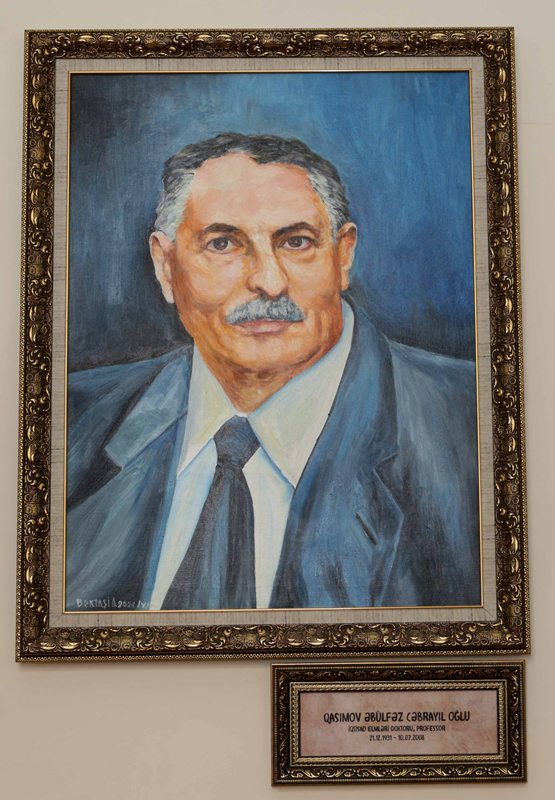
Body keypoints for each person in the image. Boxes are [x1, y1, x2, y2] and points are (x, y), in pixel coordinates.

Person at [66, 133, 480, 612]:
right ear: (165, 265)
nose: (269, 281)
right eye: (223, 243)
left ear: (343, 255)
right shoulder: (69, 420)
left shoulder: (471, 424)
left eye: (296, 242)